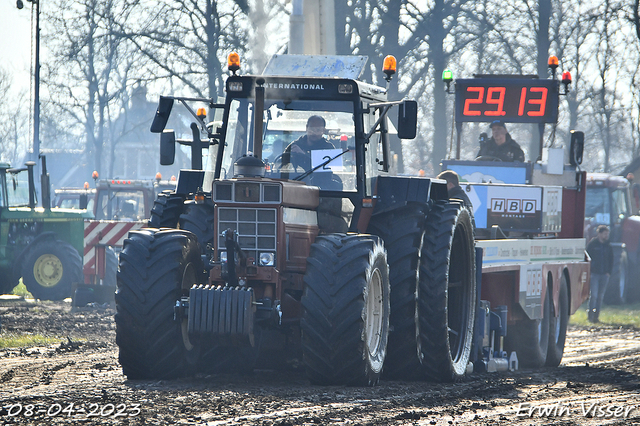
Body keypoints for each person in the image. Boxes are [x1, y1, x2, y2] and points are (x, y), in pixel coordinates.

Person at [586, 225, 614, 323]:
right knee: (594, 295)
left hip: (604, 275)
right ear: (599, 233)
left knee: (600, 296)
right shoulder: (592, 244)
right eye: (605, 233)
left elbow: (611, 260)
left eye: (608, 234)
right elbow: (587, 257)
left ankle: (596, 316)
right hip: (594, 274)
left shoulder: (608, 246)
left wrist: (608, 272)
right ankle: (590, 315)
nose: (607, 236)